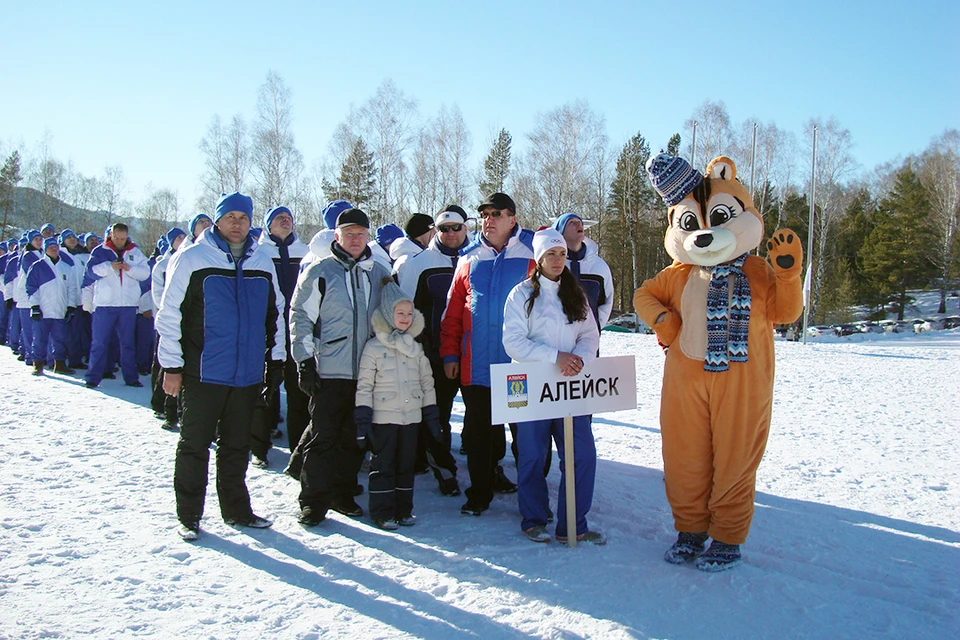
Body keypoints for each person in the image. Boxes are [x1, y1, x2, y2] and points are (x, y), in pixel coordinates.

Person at [157, 192, 286, 541]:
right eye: (229, 217)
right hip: (203, 372)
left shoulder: (262, 261)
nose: (236, 224)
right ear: (217, 220)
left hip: (245, 374)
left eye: (243, 218)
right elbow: (169, 314)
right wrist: (171, 365)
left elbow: (276, 314)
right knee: (194, 444)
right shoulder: (193, 259)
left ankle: (236, 510)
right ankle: (189, 515)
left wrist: (275, 359)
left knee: (236, 446)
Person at [502, 228, 604, 544]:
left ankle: (573, 524)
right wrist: (555, 357)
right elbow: (513, 343)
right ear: (539, 258)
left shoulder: (576, 294)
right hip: (531, 386)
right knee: (532, 455)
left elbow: (590, 334)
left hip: (570, 386)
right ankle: (533, 518)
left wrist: (579, 360)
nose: (558, 260)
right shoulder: (521, 294)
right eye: (551, 254)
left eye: (561, 254)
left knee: (582, 454)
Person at [290, 207, 390, 526]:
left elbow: (396, 313)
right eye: (349, 234)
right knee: (323, 438)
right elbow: (300, 317)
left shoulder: (378, 272)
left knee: (354, 438)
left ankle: (342, 493)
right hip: (329, 371)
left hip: (366, 372)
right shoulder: (320, 271)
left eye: (361, 234)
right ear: (337, 236)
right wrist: (304, 361)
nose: (356, 239)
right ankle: (313, 501)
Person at [439, 192, 534, 516]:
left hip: (518, 368)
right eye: (485, 214)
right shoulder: (468, 259)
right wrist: (451, 355)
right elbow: (452, 313)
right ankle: (479, 493)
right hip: (476, 367)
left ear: (513, 219)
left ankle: (532, 498)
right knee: (478, 436)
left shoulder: (532, 255)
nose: (488, 220)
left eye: (496, 213)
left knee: (526, 438)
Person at [355, 278, 441, 530]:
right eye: (399, 313)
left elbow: (427, 382)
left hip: (410, 418)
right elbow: (364, 385)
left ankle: (404, 509)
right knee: (383, 466)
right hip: (383, 419)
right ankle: (382, 512)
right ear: (386, 314)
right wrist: (362, 418)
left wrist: (431, 414)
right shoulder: (373, 348)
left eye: (408, 313)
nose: (405, 318)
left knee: (406, 465)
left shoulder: (416, 347)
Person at [396, 204, 470, 495]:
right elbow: (404, 309)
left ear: (466, 228)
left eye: (456, 227)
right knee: (436, 414)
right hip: (434, 353)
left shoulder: (477, 257)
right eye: (443, 228)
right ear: (435, 231)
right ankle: (443, 468)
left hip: (474, 353)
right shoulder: (419, 262)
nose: (450, 233)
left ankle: (489, 468)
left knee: (481, 418)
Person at [249, 206, 310, 468]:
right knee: (266, 390)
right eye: (279, 219)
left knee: (298, 392)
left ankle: (300, 447)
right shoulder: (258, 253)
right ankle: (259, 447)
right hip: (268, 330)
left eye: (289, 218)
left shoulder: (305, 252)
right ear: (268, 225)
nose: (285, 222)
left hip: (297, 329)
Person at [83, 223, 150, 388]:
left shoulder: (135, 252)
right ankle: (92, 377)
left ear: (127, 236)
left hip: (127, 305)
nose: (120, 241)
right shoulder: (100, 251)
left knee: (127, 343)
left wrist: (130, 269)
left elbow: (145, 273)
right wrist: (109, 267)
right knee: (99, 342)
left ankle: (131, 377)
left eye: (123, 238)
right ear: (110, 235)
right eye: (116, 238)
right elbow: (90, 272)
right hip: (105, 305)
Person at [150, 227, 186, 431]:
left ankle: (180, 410)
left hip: (187, 322)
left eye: (183, 237)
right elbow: (159, 295)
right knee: (165, 365)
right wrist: (169, 315)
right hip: (170, 321)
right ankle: (164, 407)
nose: (181, 241)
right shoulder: (162, 265)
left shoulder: (192, 258)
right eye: (177, 238)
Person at [26, 238, 78, 375]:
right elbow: (31, 287)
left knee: (60, 339)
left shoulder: (66, 267)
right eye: (50, 247)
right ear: (45, 249)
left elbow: (72, 289)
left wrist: (71, 306)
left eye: (55, 247)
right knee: (39, 339)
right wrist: (35, 306)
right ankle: (38, 364)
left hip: (60, 310)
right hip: (43, 310)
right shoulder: (38, 266)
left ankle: (59, 364)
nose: (53, 249)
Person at [553, 213, 614, 331]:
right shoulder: (552, 265)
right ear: (560, 232)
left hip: (589, 340)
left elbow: (606, 302)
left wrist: (593, 329)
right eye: (571, 222)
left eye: (579, 222)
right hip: (556, 338)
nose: (578, 224)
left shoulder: (599, 266)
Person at [15, 230, 44, 367]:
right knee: (28, 329)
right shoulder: (28, 255)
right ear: (30, 241)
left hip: (37, 295)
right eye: (36, 239)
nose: (39, 241)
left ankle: (33, 355)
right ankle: (30, 356)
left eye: (40, 239)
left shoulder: (40, 253)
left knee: (34, 329)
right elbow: (34, 275)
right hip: (27, 297)